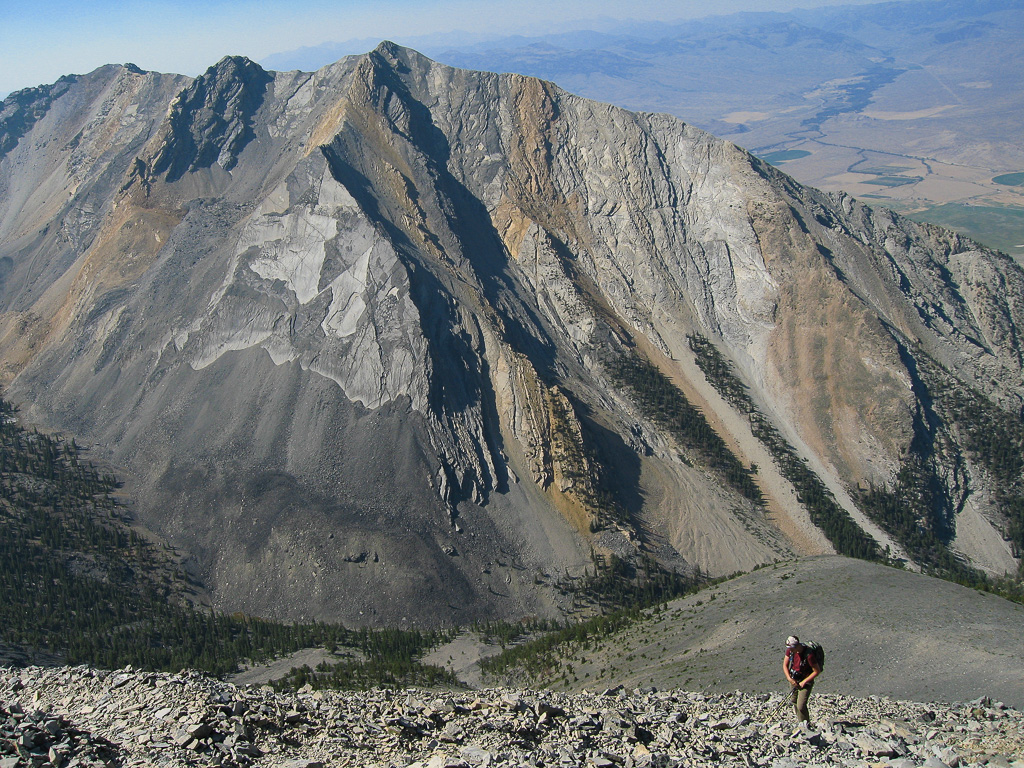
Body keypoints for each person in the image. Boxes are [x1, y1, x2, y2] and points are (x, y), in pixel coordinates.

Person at [783, 635, 821, 724]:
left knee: (801, 705)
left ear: (796, 646)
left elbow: (816, 671)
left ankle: (806, 724)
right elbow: (785, 665)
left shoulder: (809, 655)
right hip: (794, 679)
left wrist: (804, 682)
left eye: (791, 648)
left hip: (805, 682)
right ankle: (801, 722)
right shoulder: (790, 651)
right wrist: (789, 678)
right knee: (794, 701)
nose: (789, 650)